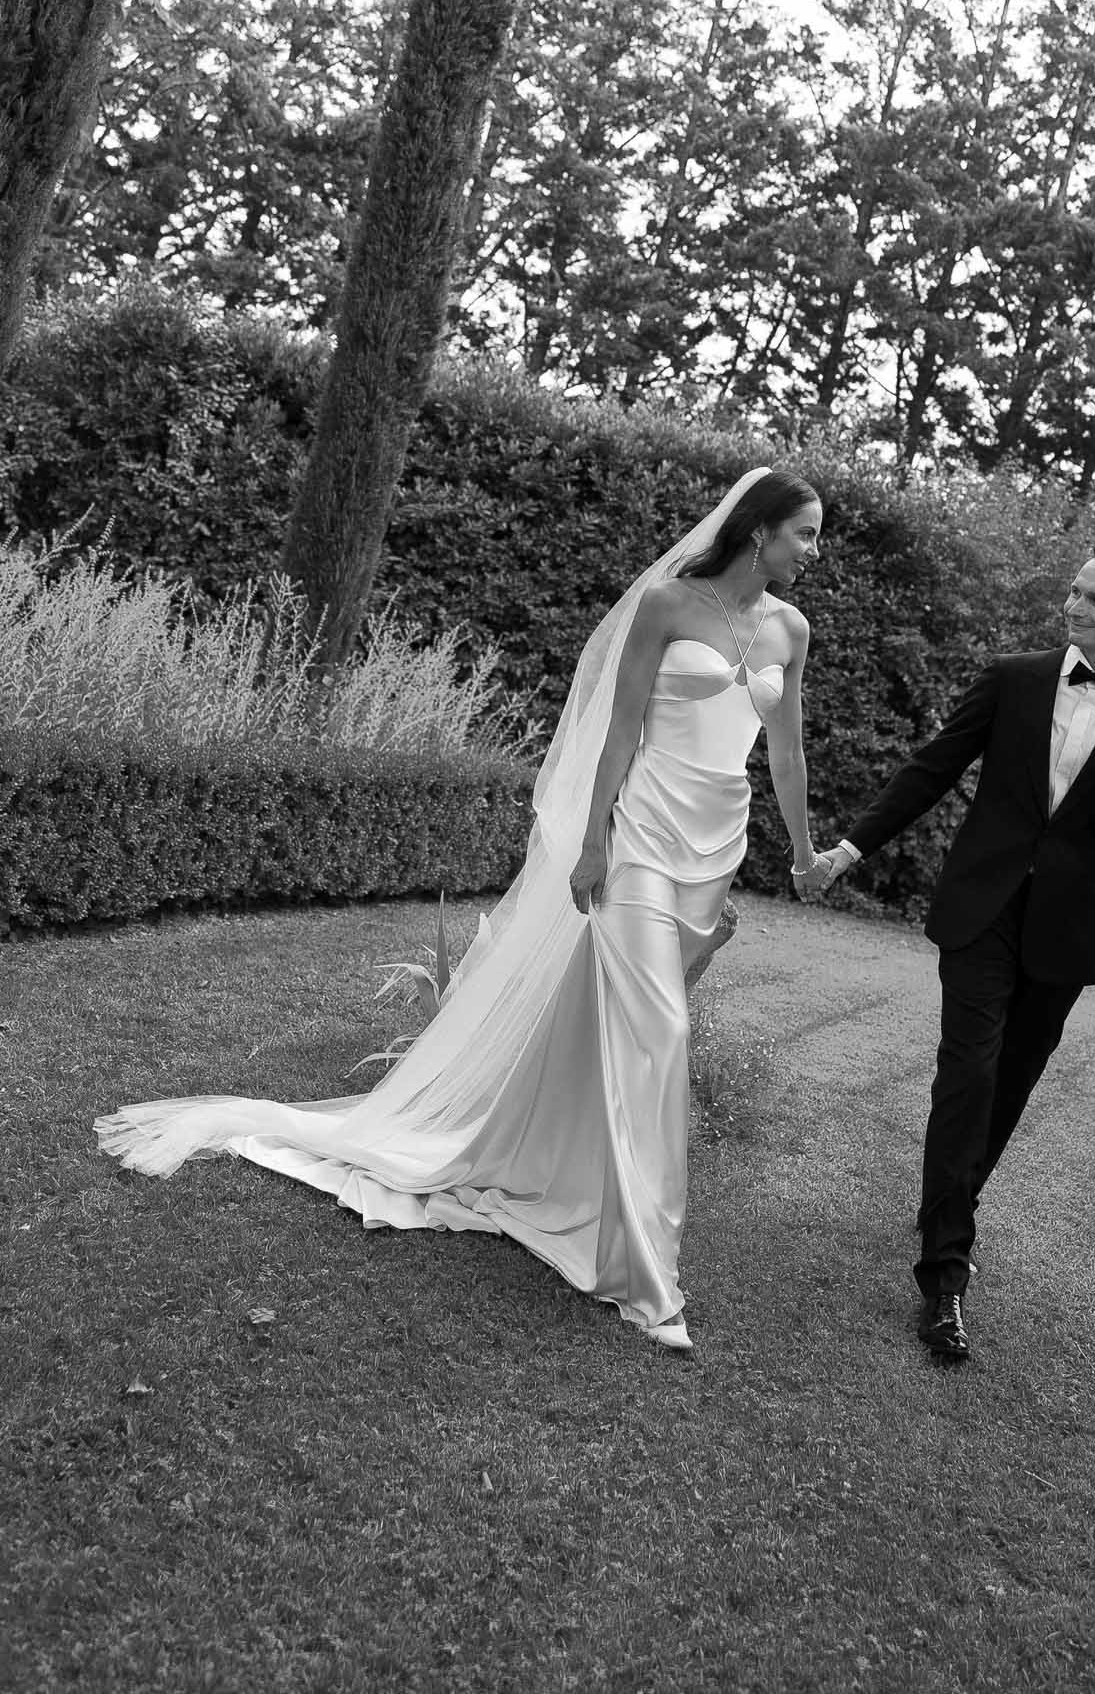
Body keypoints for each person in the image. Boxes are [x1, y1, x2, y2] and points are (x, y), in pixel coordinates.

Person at [97, 468, 823, 1356]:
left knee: (621, 1029)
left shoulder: (789, 628)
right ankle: (650, 1277)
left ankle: (552, 1169)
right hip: (640, 837)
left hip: (718, 848)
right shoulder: (671, 604)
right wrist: (593, 841)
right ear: (759, 534)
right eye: (804, 535)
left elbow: (783, 758)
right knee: (663, 1031)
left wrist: (804, 853)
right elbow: (618, 730)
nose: (812, 553)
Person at [796, 540, 1095, 1364]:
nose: (1076, 608)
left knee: (1008, 1087)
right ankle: (945, 1276)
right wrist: (845, 851)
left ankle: (951, 1207)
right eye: (1075, 591)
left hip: (1066, 932)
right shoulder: (1011, 676)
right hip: (981, 910)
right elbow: (930, 769)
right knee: (967, 1070)